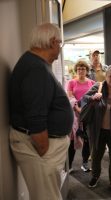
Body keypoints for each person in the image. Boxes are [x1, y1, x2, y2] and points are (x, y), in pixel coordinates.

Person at [9, 23, 73, 200]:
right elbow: (36, 116)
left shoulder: (35, 64)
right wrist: (44, 151)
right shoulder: (36, 69)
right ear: (53, 42)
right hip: (41, 149)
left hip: (42, 148)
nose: (60, 47)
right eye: (60, 43)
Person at [67, 60, 95, 172]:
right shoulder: (71, 82)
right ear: (76, 70)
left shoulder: (92, 83)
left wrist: (85, 110)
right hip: (75, 114)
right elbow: (70, 97)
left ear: (87, 70)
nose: (81, 71)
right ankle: (69, 165)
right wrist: (78, 109)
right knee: (73, 139)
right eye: (79, 69)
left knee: (87, 139)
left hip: (88, 114)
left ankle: (84, 163)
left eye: (83, 69)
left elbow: (94, 98)